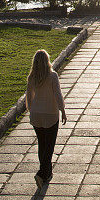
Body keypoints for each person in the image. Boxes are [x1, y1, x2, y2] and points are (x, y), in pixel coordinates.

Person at [25, 49, 67, 189]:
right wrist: (63, 110)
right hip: (50, 114)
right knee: (49, 146)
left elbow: (29, 97)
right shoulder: (52, 76)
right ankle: (42, 174)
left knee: (42, 145)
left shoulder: (32, 77)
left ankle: (47, 173)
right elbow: (58, 95)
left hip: (36, 115)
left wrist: (31, 110)